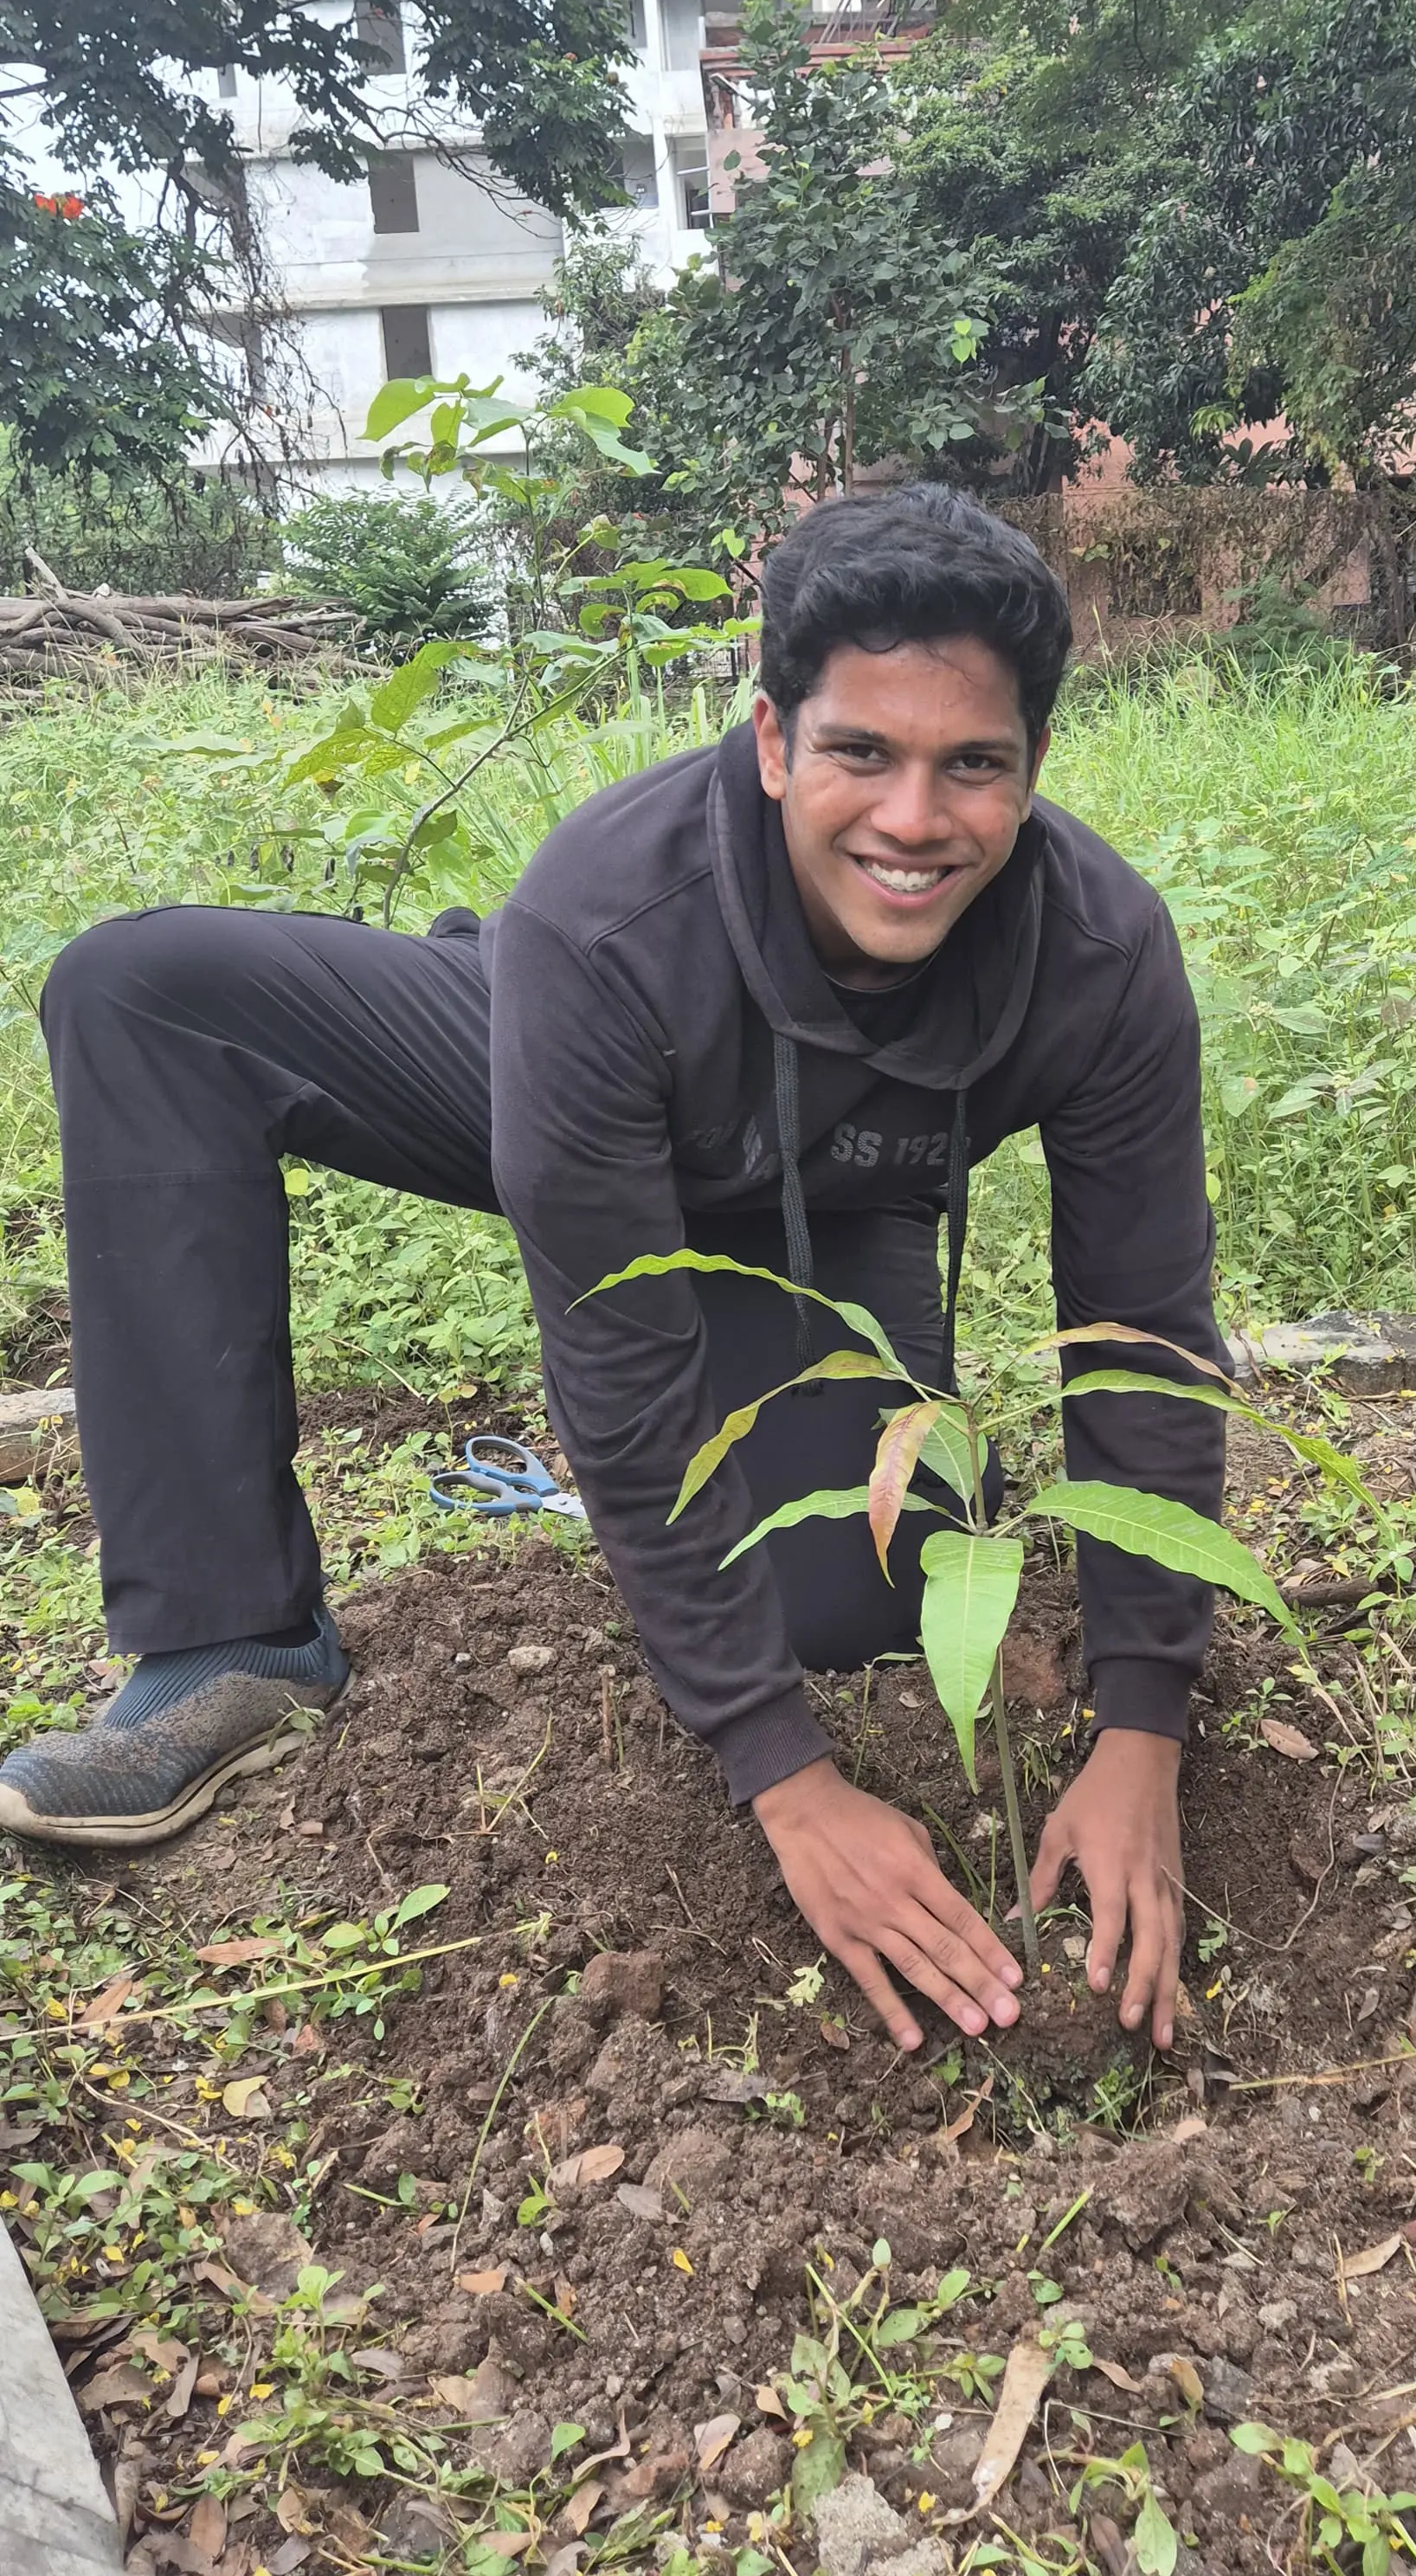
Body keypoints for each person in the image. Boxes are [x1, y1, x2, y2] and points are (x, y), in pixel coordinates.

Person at [0, 490, 1226, 2056]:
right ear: (775, 741)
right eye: (862, 752)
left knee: (837, 1603)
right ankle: (222, 1636)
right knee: (139, 992)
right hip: (584, 1059)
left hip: (829, 1203)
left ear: (1032, 773)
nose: (914, 819)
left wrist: (1142, 1727)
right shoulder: (606, 921)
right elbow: (621, 1370)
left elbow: (1146, 1339)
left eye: (970, 765)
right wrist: (784, 1778)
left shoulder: (1103, 960)